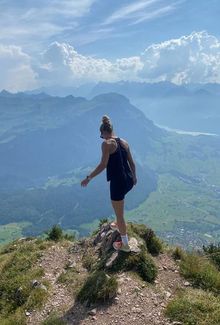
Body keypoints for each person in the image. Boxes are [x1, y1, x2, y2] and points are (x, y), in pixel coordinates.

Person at [81, 115, 137, 252]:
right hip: (129, 180)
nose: (102, 138)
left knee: (120, 214)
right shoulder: (124, 142)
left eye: (101, 135)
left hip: (118, 182)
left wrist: (88, 177)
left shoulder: (106, 144)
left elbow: (102, 165)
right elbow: (132, 162)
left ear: (104, 133)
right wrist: (134, 177)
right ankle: (118, 222)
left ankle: (125, 244)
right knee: (120, 205)